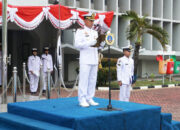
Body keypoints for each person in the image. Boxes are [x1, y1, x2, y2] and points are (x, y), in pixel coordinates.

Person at [75, 13, 105, 107]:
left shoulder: (95, 32)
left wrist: (102, 43)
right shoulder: (80, 31)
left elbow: (97, 46)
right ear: (85, 21)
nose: (92, 22)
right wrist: (89, 43)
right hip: (85, 59)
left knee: (92, 80)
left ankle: (89, 98)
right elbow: (77, 45)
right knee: (84, 80)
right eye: (90, 21)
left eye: (93, 21)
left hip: (94, 58)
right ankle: (82, 99)